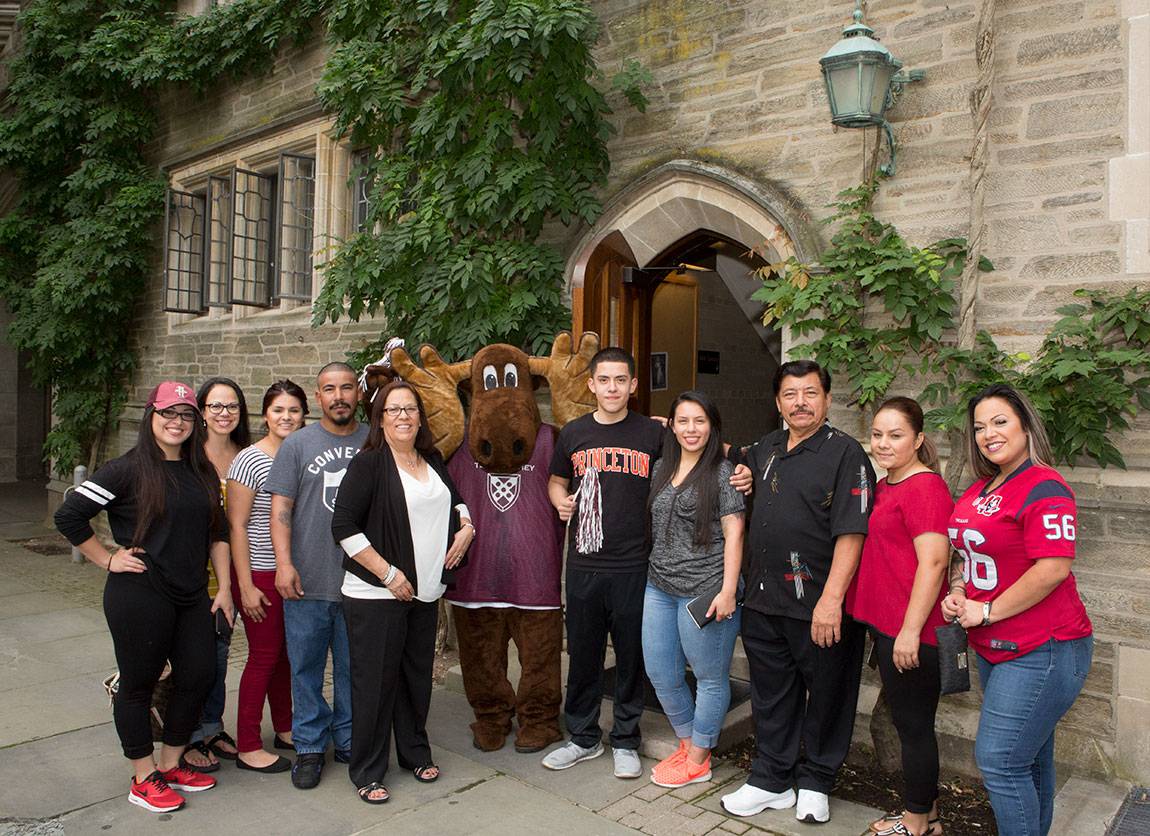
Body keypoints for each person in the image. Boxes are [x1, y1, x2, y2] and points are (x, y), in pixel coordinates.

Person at [54, 381, 230, 813]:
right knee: (138, 685)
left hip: (191, 595)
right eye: (168, 413)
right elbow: (69, 514)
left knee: (197, 675)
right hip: (140, 593)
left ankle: (171, 763)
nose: (177, 422)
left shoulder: (200, 470)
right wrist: (106, 558)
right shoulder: (126, 469)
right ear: (151, 416)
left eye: (186, 415)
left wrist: (224, 588)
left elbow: (217, 533)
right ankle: (143, 776)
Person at [721, 359, 874, 824]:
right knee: (771, 695)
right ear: (778, 403)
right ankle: (770, 779)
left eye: (810, 393)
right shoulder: (764, 449)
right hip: (764, 602)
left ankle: (816, 781)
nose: (800, 402)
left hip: (819, 607)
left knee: (828, 694)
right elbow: (732, 471)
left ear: (827, 400)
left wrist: (830, 601)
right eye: (791, 394)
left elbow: (852, 532)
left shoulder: (847, 455)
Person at [942, 384, 1092, 836]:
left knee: (1000, 761)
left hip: (1043, 647)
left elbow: (1052, 569)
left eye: (1000, 421)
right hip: (995, 648)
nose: (989, 433)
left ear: (1026, 425)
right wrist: (959, 590)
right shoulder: (983, 487)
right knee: (1030, 760)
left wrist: (986, 611)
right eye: (980, 426)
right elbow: (967, 554)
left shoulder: (1044, 484)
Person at [331, 380, 475, 804]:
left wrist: (467, 528)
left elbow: (457, 501)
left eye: (410, 408)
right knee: (375, 684)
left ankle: (415, 753)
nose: (403, 416)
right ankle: (368, 770)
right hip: (376, 594)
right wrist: (389, 574)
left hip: (425, 591)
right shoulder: (370, 463)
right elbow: (343, 527)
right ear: (379, 418)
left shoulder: (429, 458)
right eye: (393, 410)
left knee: (415, 680)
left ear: (420, 415)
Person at [542, 347, 665, 779]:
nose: (612, 388)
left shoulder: (653, 434)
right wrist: (561, 503)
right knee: (583, 654)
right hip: (583, 564)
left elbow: (689, 467)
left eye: (620, 380)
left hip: (634, 564)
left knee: (631, 657)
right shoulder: (574, 433)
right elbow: (556, 482)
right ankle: (582, 737)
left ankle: (626, 739)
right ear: (591, 385)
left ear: (633, 386)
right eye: (604, 380)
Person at [847, 397, 952, 836]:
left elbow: (934, 563)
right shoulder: (889, 482)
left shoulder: (925, 488)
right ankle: (928, 816)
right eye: (877, 434)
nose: (883, 443)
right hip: (890, 625)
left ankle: (913, 824)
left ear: (919, 439)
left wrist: (910, 632)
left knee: (914, 728)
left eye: (896, 435)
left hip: (914, 632)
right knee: (913, 724)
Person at [266, 362, 368, 789]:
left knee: (352, 669)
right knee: (305, 668)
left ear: (357, 394)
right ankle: (308, 746)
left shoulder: (375, 440)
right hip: (307, 580)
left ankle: (347, 738)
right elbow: (280, 509)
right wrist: (284, 563)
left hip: (361, 582)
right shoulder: (298, 444)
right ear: (319, 395)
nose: (339, 396)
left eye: (347, 387)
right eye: (330, 389)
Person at [643, 391, 745, 789]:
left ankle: (700, 756)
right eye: (682, 421)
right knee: (660, 672)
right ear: (671, 425)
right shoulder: (660, 468)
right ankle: (688, 742)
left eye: (699, 421)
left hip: (704, 591)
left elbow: (735, 534)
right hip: (659, 586)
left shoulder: (724, 473)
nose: (691, 429)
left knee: (710, 677)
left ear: (712, 425)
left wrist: (728, 591)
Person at [227, 380, 309, 773]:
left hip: (292, 571)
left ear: (304, 415)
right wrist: (245, 586)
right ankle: (247, 744)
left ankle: (287, 727)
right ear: (265, 416)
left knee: (284, 657)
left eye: (294, 410)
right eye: (279, 410)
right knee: (262, 657)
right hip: (259, 572)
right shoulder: (250, 459)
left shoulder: (304, 454)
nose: (287, 417)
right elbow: (237, 526)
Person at [183, 377, 250, 771]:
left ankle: (211, 726)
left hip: (229, 576)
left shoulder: (248, 456)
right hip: (191, 577)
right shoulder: (188, 457)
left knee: (220, 656)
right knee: (194, 660)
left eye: (232, 406)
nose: (224, 414)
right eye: (215, 406)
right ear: (202, 412)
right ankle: (187, 735)